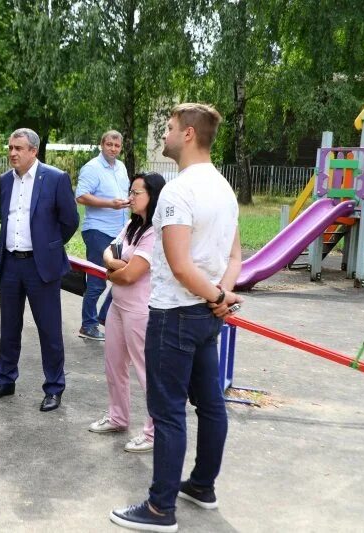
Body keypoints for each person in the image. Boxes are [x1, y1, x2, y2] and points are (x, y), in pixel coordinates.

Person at [110, 104, 243, 533]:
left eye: (167, 128)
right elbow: (235, 256)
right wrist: (220, 295)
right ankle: (202, 486)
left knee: (167, 412)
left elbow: (181, 266)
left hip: (175, 316)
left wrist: (217, 294)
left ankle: (159, 508)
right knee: (210, 404)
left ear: (188, 134)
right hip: (206, 315)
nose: (162, 136)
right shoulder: (224, 188)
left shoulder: (178, 191)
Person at [0, 128, 79, 412]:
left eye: (19, 148)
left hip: (41, 266)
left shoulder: (55, 178)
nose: (12, 153)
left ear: (33, 151)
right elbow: (5, 217)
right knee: (9, 327)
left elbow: (70, 221)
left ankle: (53, 387)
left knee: (49, 330)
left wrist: (49, 246)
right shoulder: (4, 182)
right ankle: (5, 380)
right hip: (10, 263)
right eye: (10, 147)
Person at [89, 172, 166, 455]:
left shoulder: (155, 231)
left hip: (139, 310)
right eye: (130, 192)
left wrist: (114, 269)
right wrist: (115, 264)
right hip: (118, 307)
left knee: (147, 372)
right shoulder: (133, 226)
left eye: (137, 193)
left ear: (152, 196)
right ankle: (118, 417)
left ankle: (154, 432)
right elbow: (108, 251)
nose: (131, 197)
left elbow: (132, 275)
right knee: (114, 365)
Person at [75, 131, 130, 341]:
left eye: (117, 145)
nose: (113, 149)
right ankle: (88, 326)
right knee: (98, 280)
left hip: (119, 232)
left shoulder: (122, 167)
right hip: (98, 231)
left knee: (124, 277)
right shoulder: (92, 168)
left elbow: (123, 195)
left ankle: (105, 317)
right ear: (101, 144)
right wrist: (110, 204)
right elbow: (80, 196)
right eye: (109, 144)